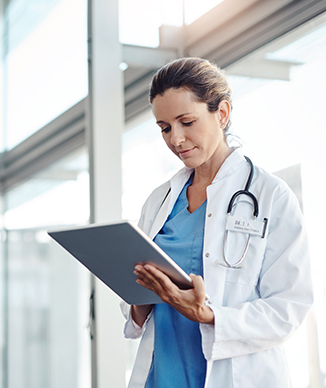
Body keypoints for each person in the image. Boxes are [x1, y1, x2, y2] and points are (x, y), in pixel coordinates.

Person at [120, 57, 313, 388]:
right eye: (165, 127)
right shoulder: (159, 200)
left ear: (221, 114)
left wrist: (209, 316)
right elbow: (138, 305)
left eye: (187, 121)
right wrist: (138, 299)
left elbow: (288, 309)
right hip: (162, 375)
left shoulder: (270, 196)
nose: (176, 140)